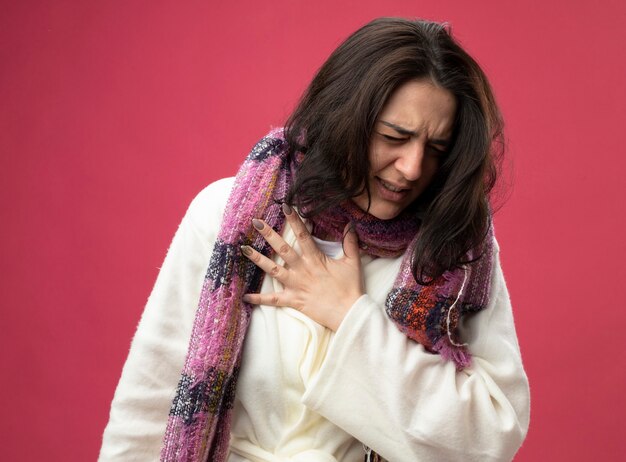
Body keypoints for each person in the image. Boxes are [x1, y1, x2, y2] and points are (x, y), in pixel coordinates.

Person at [99, 17, 530, 462]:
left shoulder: (454, 251)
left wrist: (347, 316)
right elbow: (147, 408)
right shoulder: (224, 214)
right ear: (343, 118)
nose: (413, 167)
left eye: (437, 148)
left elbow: (489, 440)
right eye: (393, 137)